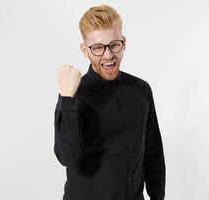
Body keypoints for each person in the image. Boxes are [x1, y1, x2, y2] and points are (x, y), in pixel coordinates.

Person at [54, 4, 166, 200]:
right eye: (97, 47)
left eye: (114, 45)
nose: (108, 55)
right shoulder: (74, 94)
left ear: (123, 42)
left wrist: (158, 197)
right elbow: (66, 156)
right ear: (84, 50)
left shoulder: (141, 90)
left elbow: (153, 152)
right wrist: (66, 98)